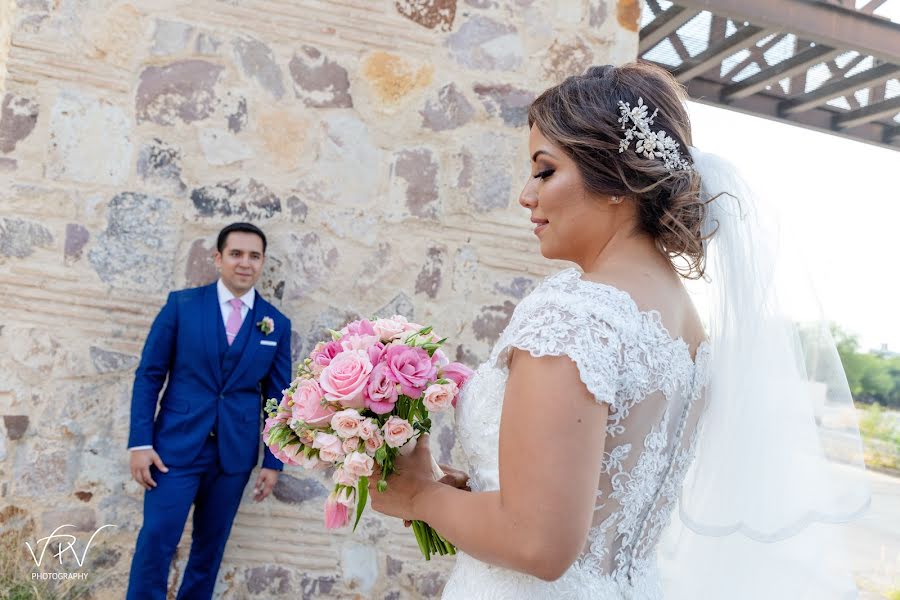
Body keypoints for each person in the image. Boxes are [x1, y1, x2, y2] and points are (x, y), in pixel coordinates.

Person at [369, 62, 870, 599]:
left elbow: (538, 544)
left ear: (616, 180)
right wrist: (473, 499)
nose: (526, 195)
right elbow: (596, 507)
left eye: (544, 171)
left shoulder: (573, 314)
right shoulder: (685, 324)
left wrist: (417, 495)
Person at [126, 222, 292, 600]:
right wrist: (140, 441)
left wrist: (274, 461)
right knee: (156, 541)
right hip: (173, 450)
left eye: (254, 256)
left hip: (232, 457)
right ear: (218, 258)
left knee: (209, 550)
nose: (245, 263)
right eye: (236, 254)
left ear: (262, 262)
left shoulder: (275, 324)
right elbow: (149, 375)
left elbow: (279, 399)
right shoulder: (181, 307)